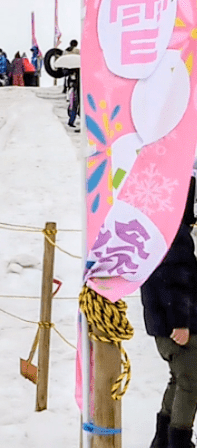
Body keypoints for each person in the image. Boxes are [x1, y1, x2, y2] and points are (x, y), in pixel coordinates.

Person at [142, 172, 197, 448]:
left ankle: (162, 439)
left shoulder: (158, 227)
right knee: (191, 381)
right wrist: (181, 322)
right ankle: (179, 440)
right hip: (176, 322)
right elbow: (176, 278)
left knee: (179, 378)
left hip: (161, 322)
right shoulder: (175, 232)